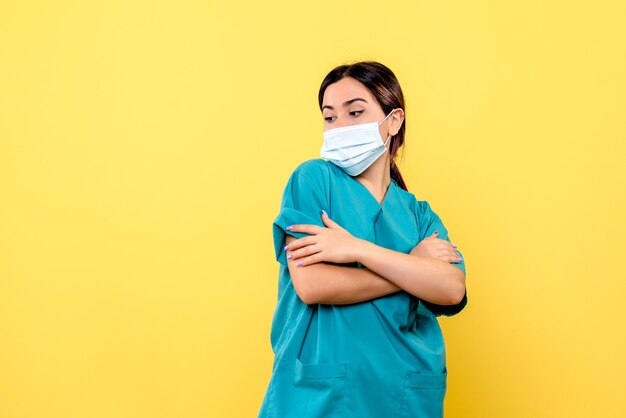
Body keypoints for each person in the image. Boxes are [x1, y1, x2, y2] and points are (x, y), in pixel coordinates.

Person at [257, 61, 468, 418]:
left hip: (403, 393)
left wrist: (358, 249)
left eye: (355, 112)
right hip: (319, 396)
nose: (340, 126)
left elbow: (452, 289)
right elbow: (313, 283)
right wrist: (411, 267)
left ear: (394, 120)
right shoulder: (312, 180)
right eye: (329, 118)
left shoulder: (417, 214)